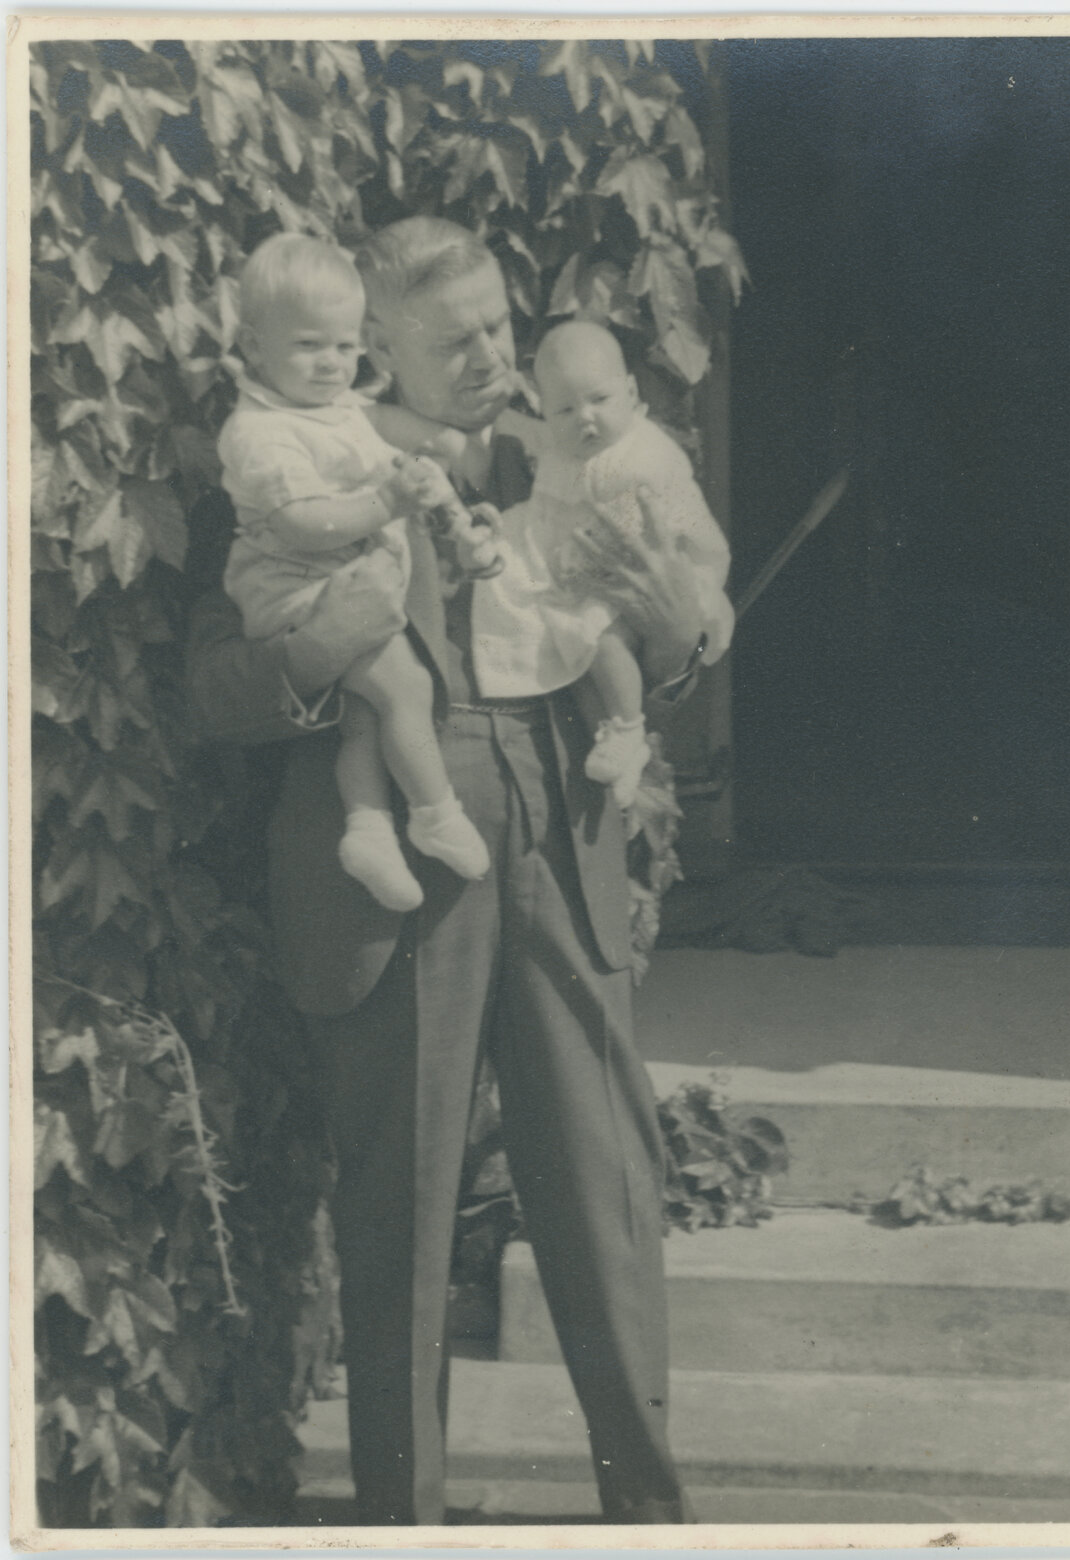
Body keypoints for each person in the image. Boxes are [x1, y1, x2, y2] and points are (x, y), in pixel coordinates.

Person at [186, 216, 712, 1526]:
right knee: (403, 1205)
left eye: (496, 324)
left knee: (605, 1183)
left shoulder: (573, 445)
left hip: (562, 821)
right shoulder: (307, 465)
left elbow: (674, 625)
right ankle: (401, 1523)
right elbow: (211, 686)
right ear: (381, 356)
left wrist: (676, 627)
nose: (491, 355)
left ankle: (648, 1513)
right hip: (399, 862)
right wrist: (343, 638)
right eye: (454, 341)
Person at [218, 233, 500, 912]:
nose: (332, 366)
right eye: (310, 347)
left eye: (344, 349)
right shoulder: (259, 433)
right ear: (255, 348)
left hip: (346, 586)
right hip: (298, 593)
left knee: (366, 719)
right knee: (400, 684)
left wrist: (450, 448)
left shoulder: (337, 408)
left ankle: (369, 828)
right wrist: (385, 501)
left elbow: (386, 423)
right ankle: (435, 812)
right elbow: (300, 522)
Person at [472, 319, 734, 808]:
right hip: (593, 577)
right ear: (543, 409)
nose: (584, 419)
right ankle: (618, 743)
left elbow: (640, 532)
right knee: (581, 658)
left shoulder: (642, 455)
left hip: (649, 573)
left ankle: (628, 728)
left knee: (601, 638)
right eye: (565, 409)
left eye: (599, 400)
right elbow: (549, 516)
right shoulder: (558, 453)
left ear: (631, 392)